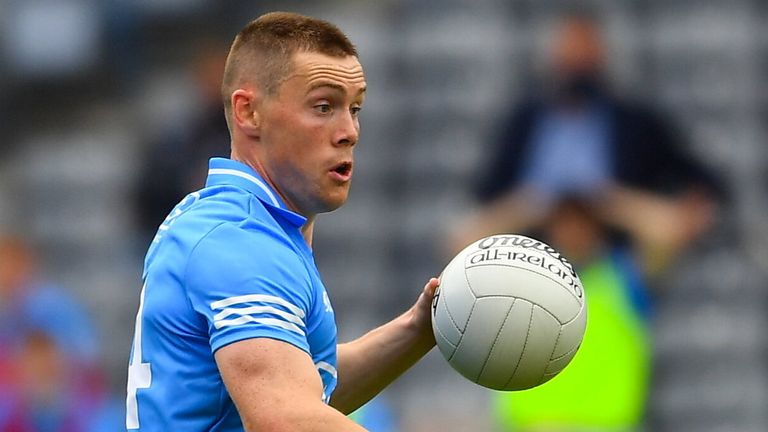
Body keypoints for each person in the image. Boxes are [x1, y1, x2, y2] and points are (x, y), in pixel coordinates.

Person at [125, 12, 439, 431]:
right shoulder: (239, 241)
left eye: (355, 108)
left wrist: (417, 331)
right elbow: (285, 418)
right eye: (323, 106)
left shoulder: (233, 224)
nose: (349, 131)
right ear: (248, 112)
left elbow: (304, 384)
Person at [452, 13, 723, 275]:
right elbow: (488, 188)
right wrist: (531, 202)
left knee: (667, 227)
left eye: (584, 50)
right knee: (463, 238)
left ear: (601, 54)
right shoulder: (525, 118)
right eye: (569, 49)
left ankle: (629, 293)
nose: (576, 60)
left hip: (609, 207)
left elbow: (691, 170)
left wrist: (695, 205)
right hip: (537, 210)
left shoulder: (634, 119)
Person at [492, 196, 652, 431]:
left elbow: (663, 234)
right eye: (564, 222)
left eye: (581, 222)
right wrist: (534, 201)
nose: (573, 231)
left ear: (596, 226)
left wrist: (605, 198)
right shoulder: (520, 280)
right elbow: (462, 246)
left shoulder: (623, 277)